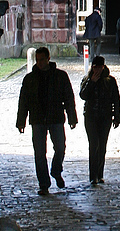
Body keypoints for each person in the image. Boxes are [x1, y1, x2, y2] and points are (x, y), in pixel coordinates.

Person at [16, 45, 77, 194]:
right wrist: (21, 121)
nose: (40, 63)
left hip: (55, 117)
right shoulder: (30, 79)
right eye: (37, 60)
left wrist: (72, 117)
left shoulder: (60, 76)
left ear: (48, 58)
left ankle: (56, 170)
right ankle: (43, 184)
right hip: (37, 119)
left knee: (60, 148)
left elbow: (68, 97)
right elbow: (23, 101)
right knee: (39, 153)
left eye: (42, 59)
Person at [79, 55, 120, 186]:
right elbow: (83, 95)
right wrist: (91, 82)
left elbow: (116, 99)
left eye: (99, 67)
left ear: (103, 67)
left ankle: (100, 174)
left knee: (102, 145)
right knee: (93, 145)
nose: (97, 69)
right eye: (95, 67)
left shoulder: (110, 81)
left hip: (105, 117)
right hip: (90, 116)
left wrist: (117, 116)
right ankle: (93, 176)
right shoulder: (87, 79)